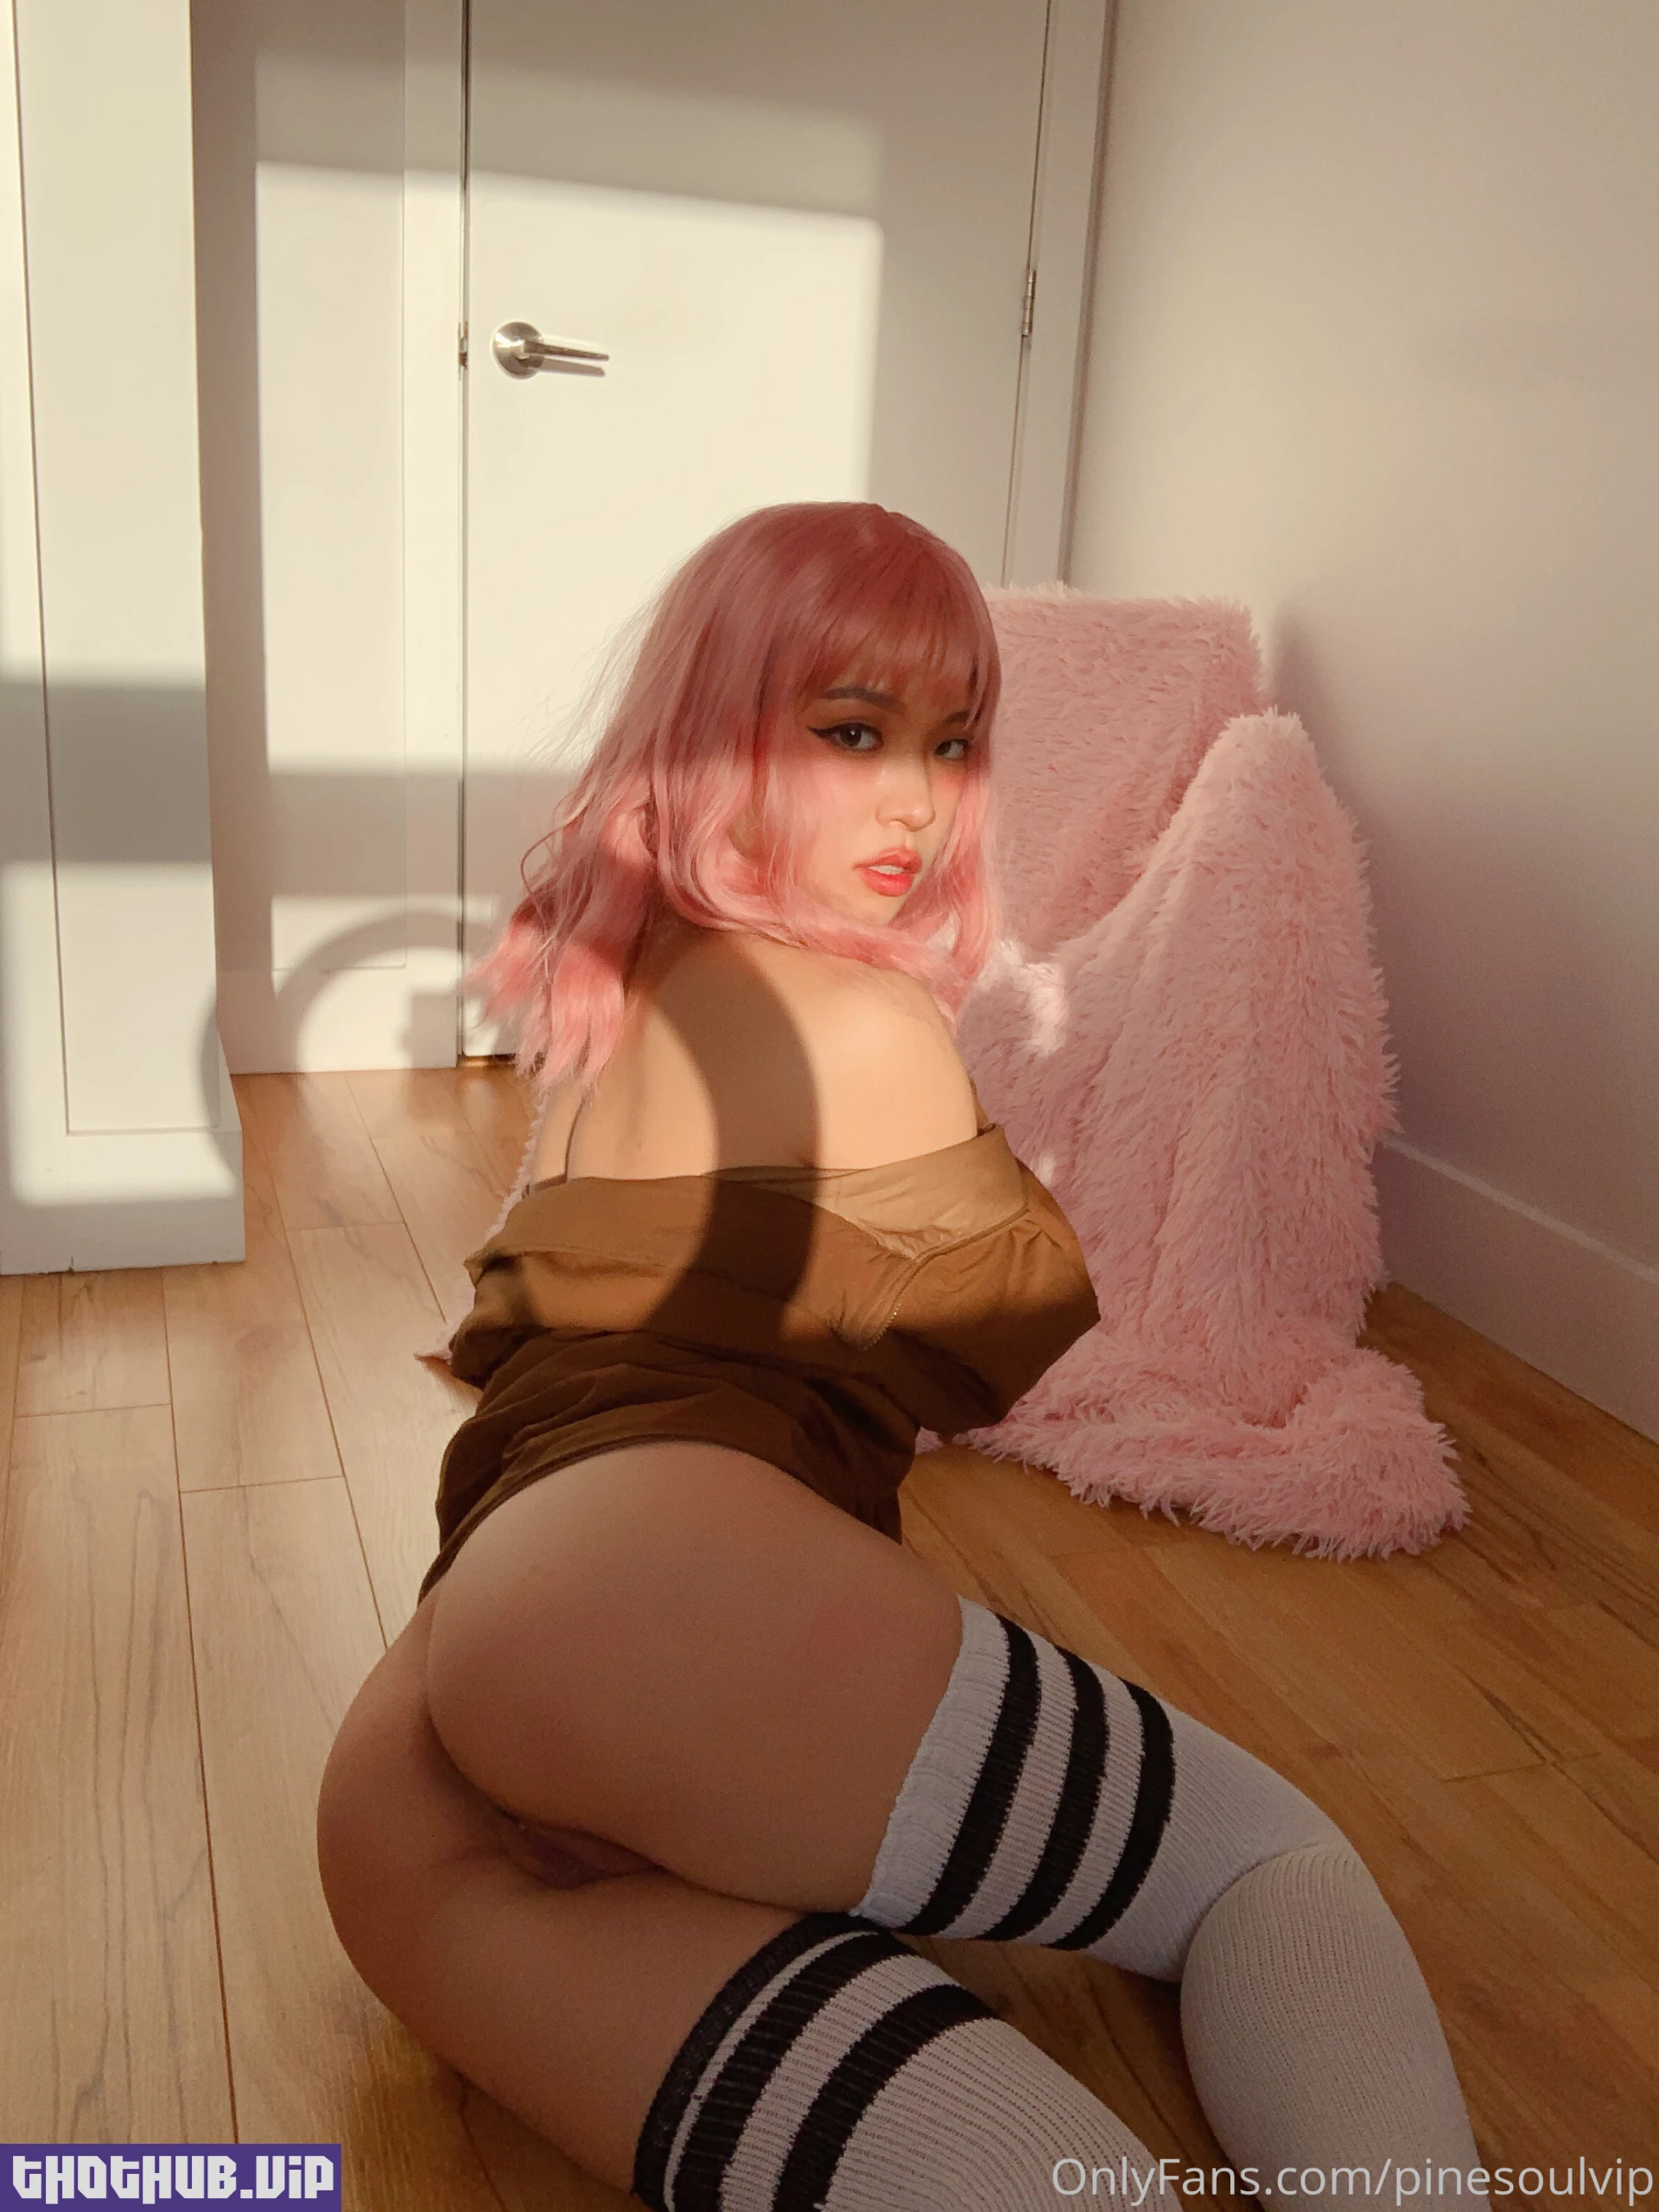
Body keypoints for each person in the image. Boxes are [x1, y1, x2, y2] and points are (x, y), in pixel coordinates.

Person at [316, 503, 1490, 2209]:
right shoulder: (865, 1023)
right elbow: (994, 1338)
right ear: (717, 736)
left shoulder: (613, 1006)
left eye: (952, 743)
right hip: (649, 1596)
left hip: (407, 1794)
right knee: (1269, 1863)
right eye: (853, 733)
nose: (920, 802)